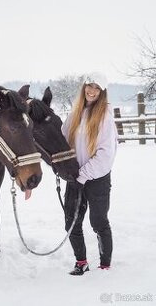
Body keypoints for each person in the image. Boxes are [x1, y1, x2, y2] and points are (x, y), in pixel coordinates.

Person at [61, 72, 118, 276]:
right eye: (89, 86)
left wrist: (82, 175)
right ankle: (81, 262)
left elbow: (105, 155)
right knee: (71, 222)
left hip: (97, 178)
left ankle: (105, 264)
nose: (91, 91)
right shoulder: (75, 114)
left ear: (102, 92)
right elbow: (62, 139)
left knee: (98, 221)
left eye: (96, 88)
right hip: (74, 178)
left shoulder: (105, 116)